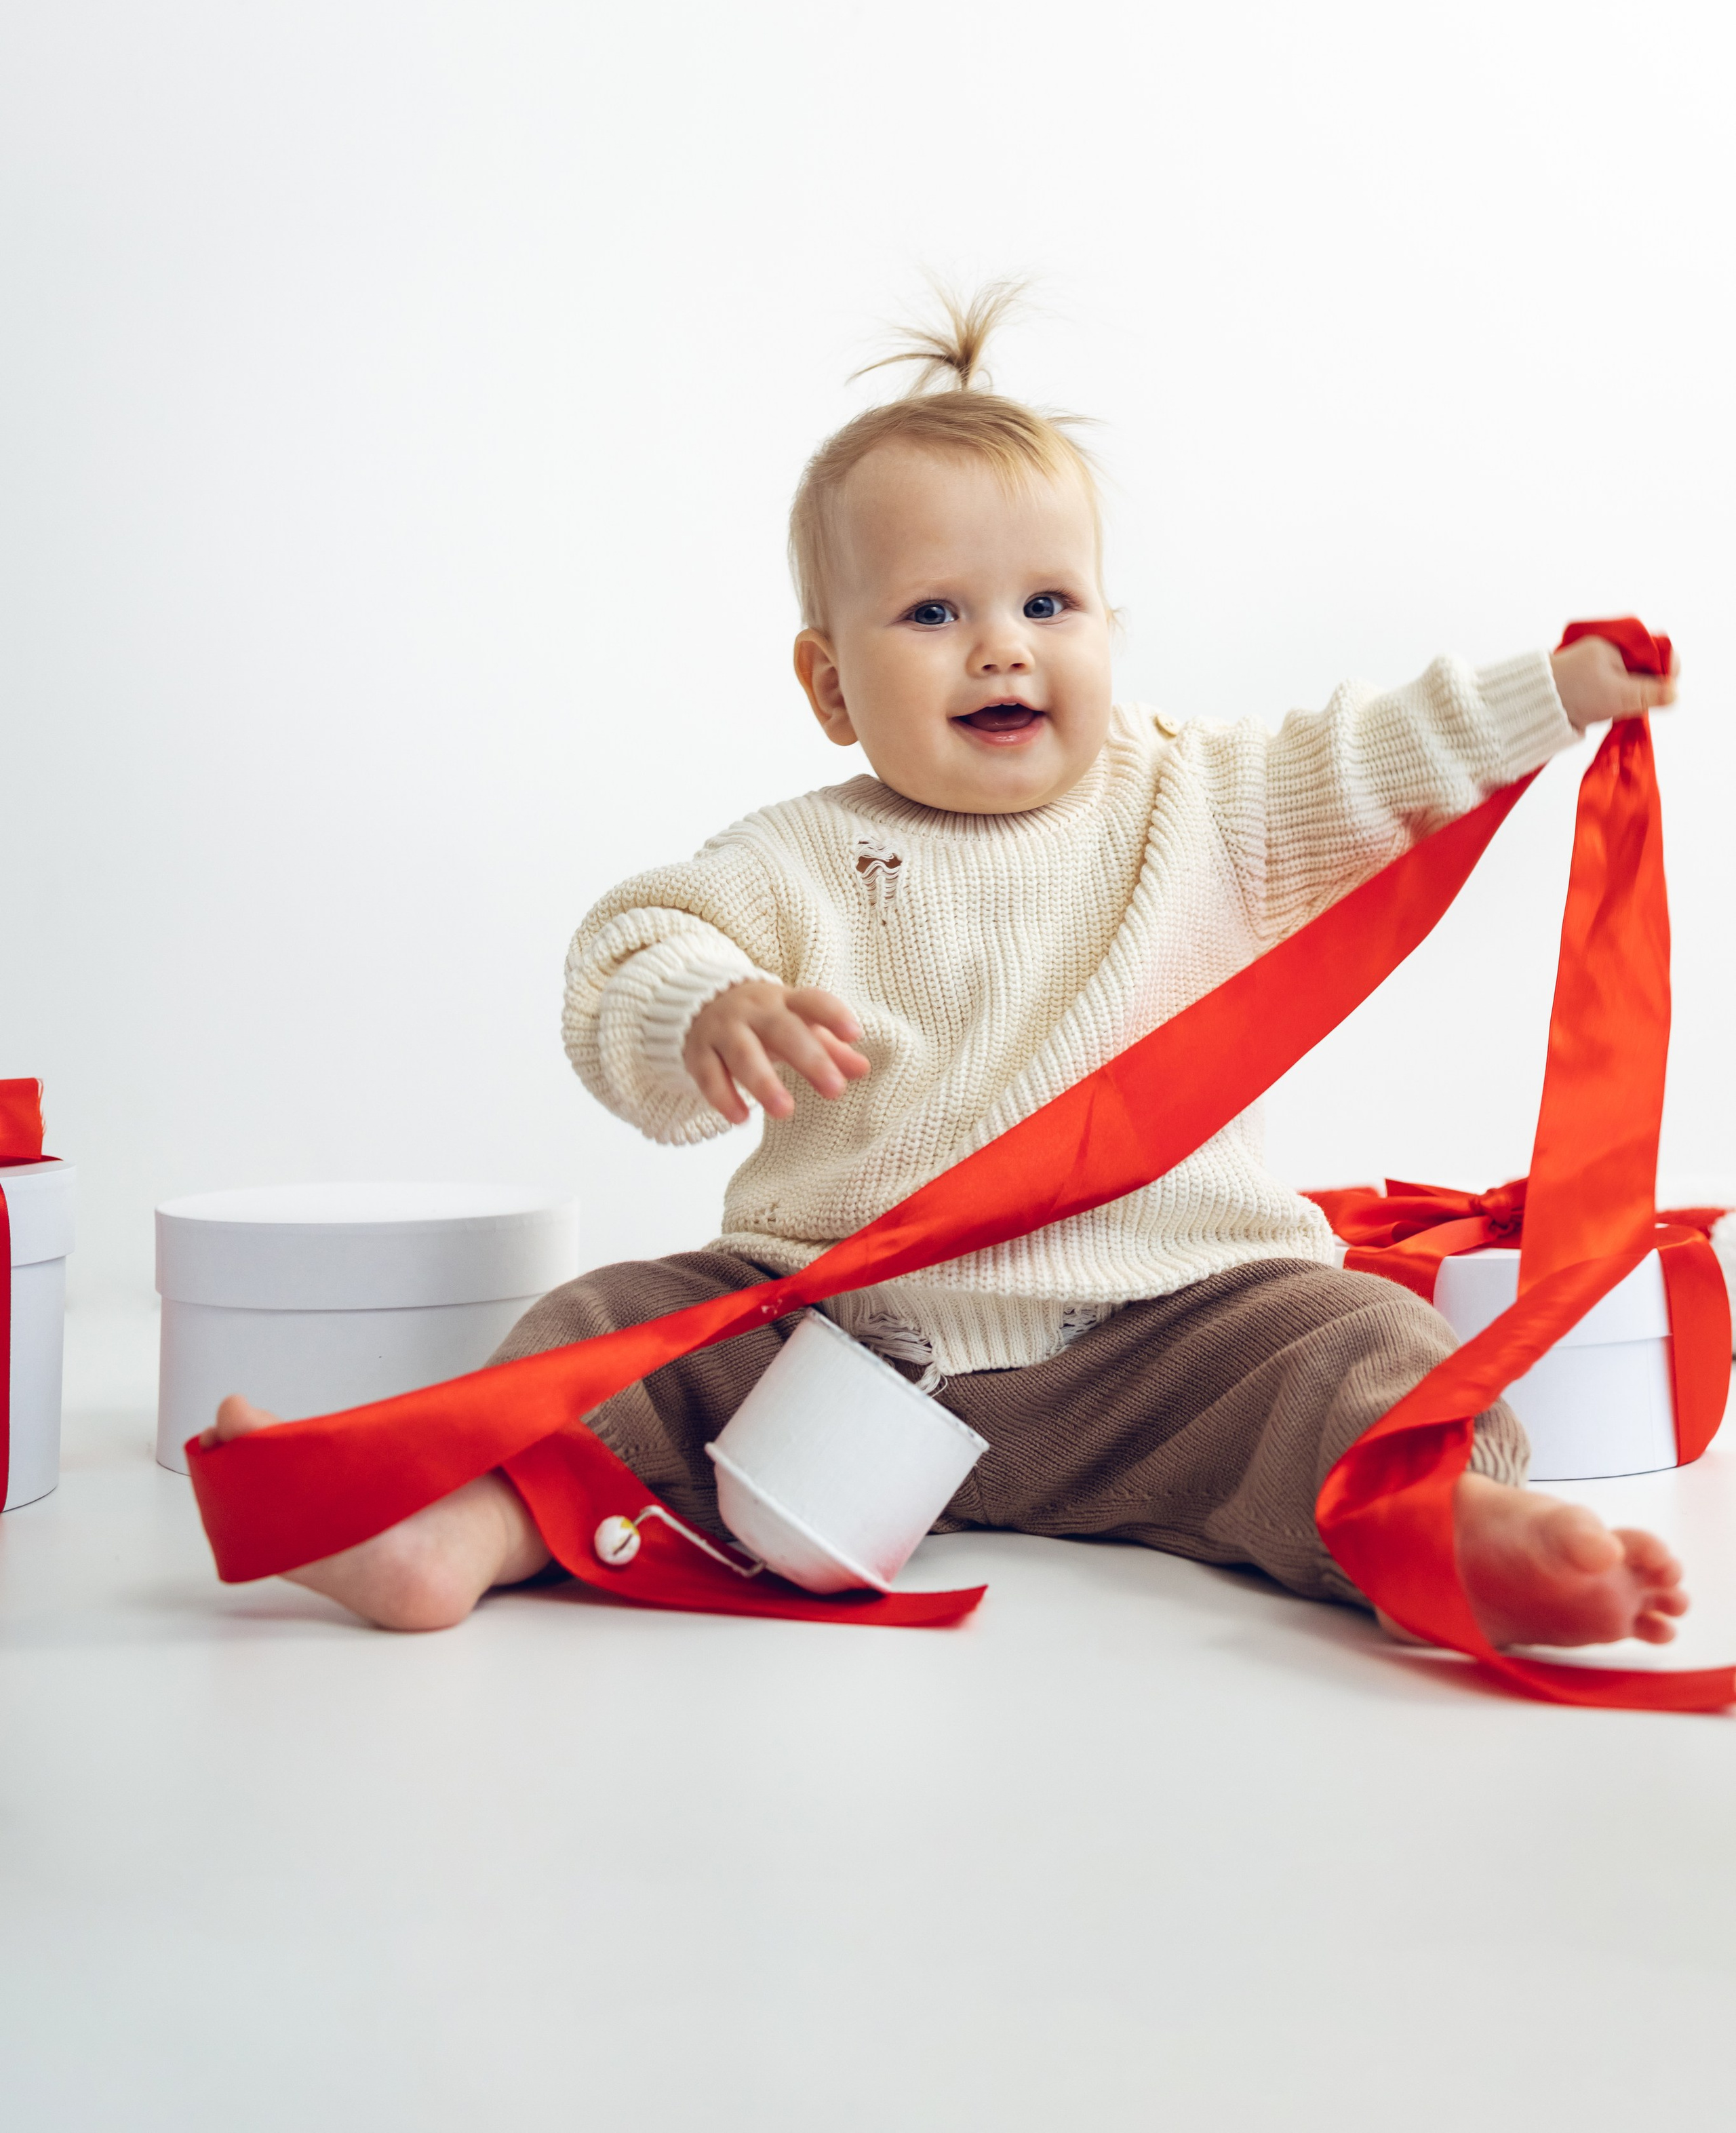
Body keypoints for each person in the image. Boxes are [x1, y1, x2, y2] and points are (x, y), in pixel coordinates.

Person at [206, 286, 1687, 1643]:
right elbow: (636, 946)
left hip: (1164, 1335)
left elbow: (1376, 758)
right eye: (933, 614)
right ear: (829, 682)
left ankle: (1441, 1528)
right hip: (831, 1335)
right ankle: (453, 1528)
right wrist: (704, 1011)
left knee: (1356, 1338)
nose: (1000, 649)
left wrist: (1550, 693)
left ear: (1110, 628)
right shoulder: (792, 856)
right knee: (607, 1327)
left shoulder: (1199, 804)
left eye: (1048, 605)